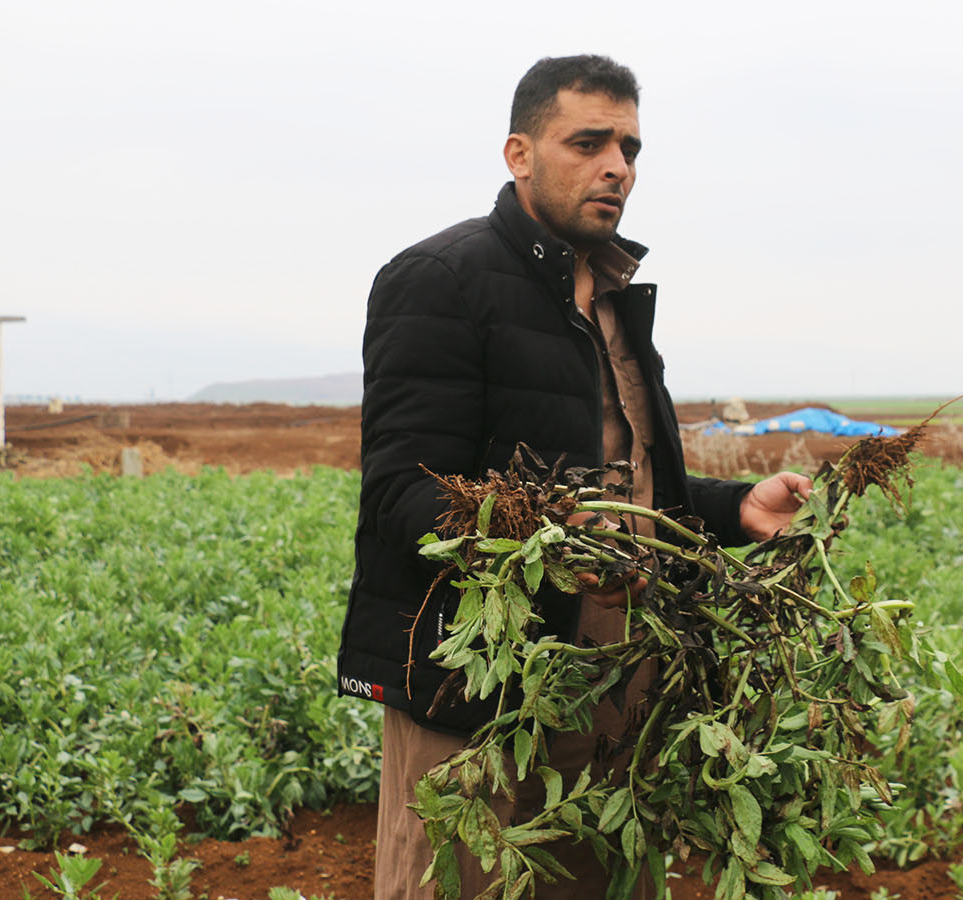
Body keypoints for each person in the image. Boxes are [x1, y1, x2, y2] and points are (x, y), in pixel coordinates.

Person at [336, 54, 812, 900]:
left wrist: (736, 508)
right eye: (588, 142)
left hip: (615, 686)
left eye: (629, 147)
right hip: (478, 699)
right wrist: (544, 545)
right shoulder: (440, 281)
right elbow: (400, 499)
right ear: (519, 153)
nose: (617, 167)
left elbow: (633, 498)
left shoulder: (612, 298)